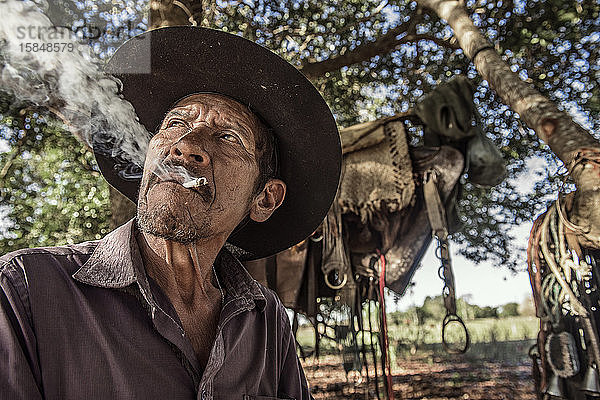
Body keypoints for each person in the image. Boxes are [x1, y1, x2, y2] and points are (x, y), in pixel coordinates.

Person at [0, 26, 341, 400]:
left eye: (228, 137)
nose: (186, 145)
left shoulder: (266, 319)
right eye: (176, 124)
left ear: (264, 198)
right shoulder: (24, 291)